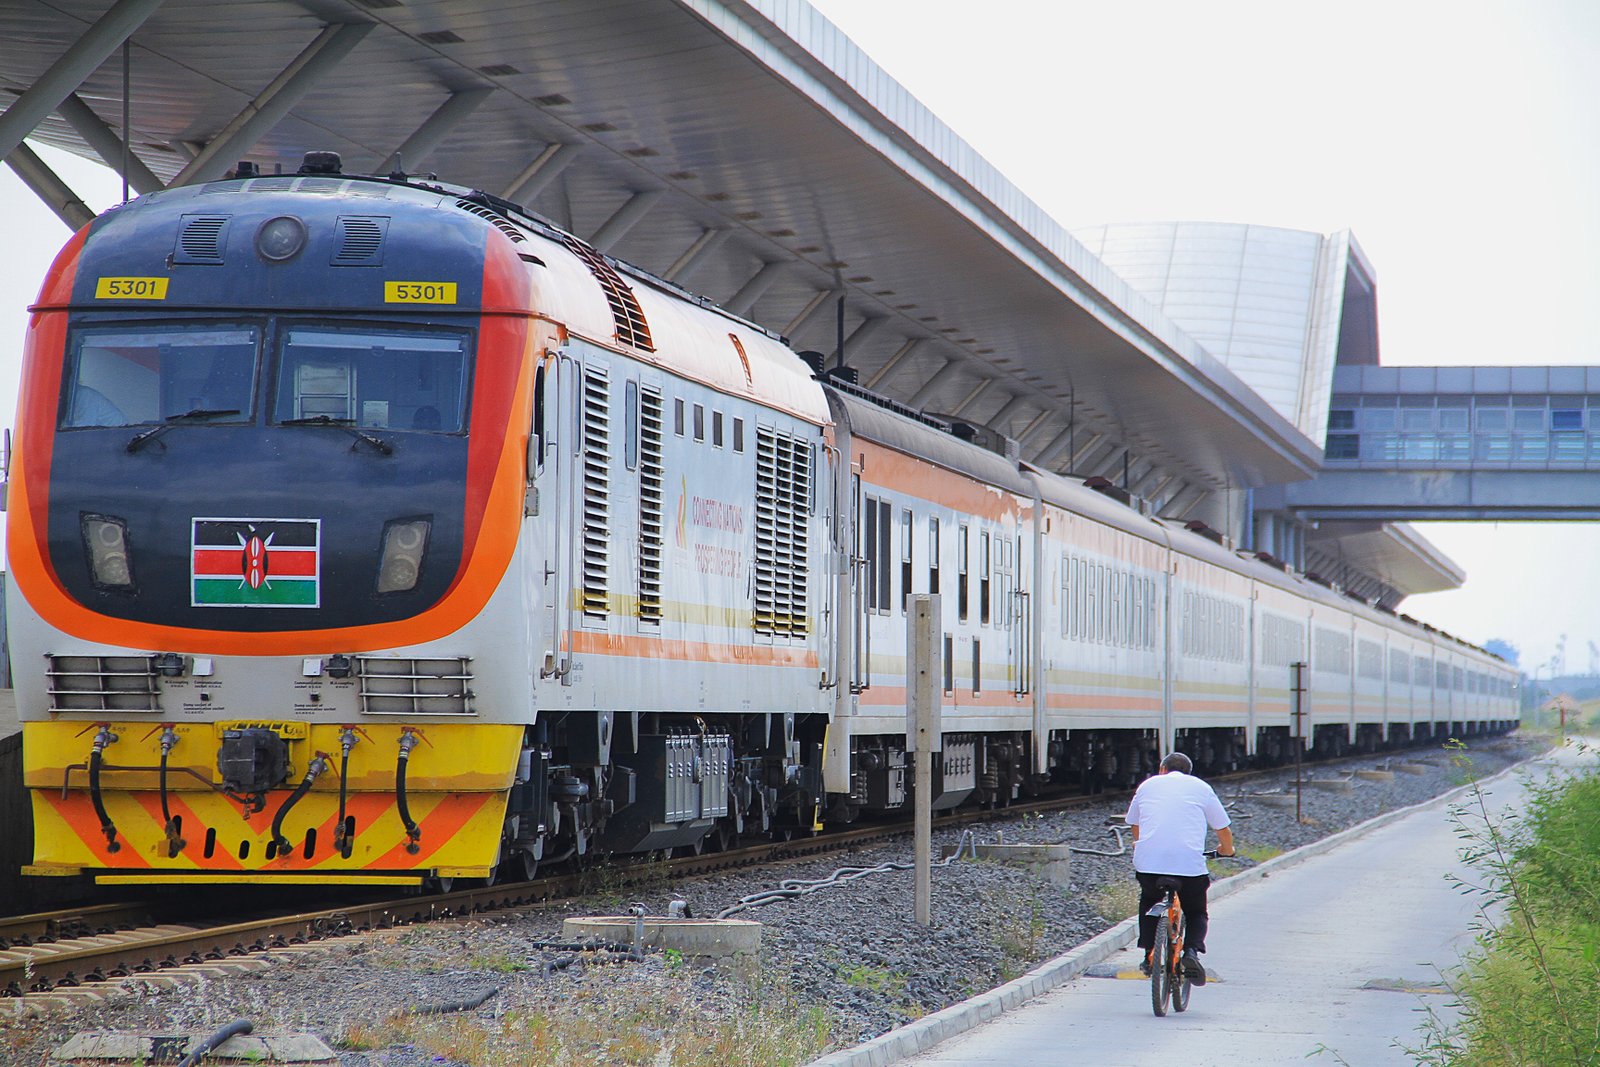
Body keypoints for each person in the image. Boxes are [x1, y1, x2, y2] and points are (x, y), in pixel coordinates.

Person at [1124, 751, 1234, 985]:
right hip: (1189, 867)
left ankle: (1149, 954)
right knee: (1196, 911)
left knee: (1149, 901)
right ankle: (1191, 952)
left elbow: (1134, 822)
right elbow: (1223, 828)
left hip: (1150, 865)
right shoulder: (1201, 787)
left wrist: (1140, 843)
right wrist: (1227, 850)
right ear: (1189, 773)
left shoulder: (1147, 785)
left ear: (1162, 769)